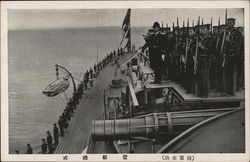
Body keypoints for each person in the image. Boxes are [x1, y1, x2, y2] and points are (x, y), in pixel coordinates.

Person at [222, 18, 242, 96]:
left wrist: (229, 41)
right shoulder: (224, 32)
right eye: (228, 22)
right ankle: (226, 90)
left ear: (234, 23)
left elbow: (238, 45)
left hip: (233, 56)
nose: (229, 24)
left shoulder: (237, 33)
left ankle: (232, 91)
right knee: (225, 74)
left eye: (230, 22)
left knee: (232, 74)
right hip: (225, 55)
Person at [196, 24, 215, 98]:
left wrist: (202, 47)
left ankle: (205, 93)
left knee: (205, 77)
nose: (202, 30)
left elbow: (211, 51)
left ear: (208, 30)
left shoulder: (210, 39)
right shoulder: (199, 38)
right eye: (201, 29)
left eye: (204, 29)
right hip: (199, 59)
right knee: (199, 76)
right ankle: (200, 92)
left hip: (206, 59)